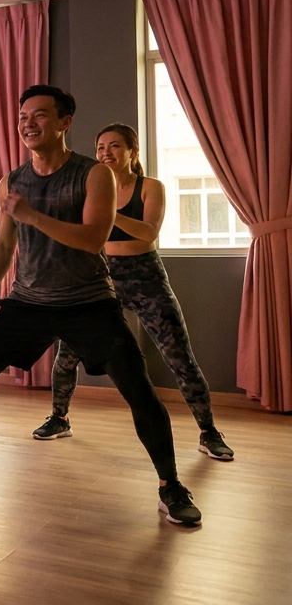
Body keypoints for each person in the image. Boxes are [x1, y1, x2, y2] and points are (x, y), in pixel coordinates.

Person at [0, 86, 202, 529]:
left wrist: (33, 216)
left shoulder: (92, 175)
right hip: (28, 302)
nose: (28, 122)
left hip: (89, 302)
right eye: (23, 115)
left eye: (41, 115)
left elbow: (92, 238)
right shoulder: (12, 180)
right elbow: (5, 241)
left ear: (65, 123)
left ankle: (170, 487)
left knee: (140, 392)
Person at [32, 123, 234, 460]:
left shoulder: (150, 187)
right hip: (99, 278)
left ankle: (209, 431)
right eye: (100, 148)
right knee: (66, 354)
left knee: (179, 357)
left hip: (145, 277)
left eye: (114, 146)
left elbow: (147, 233)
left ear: (132, 153)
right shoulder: (88, 189)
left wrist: (109, 211)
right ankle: (59, 418)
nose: (105, 153)